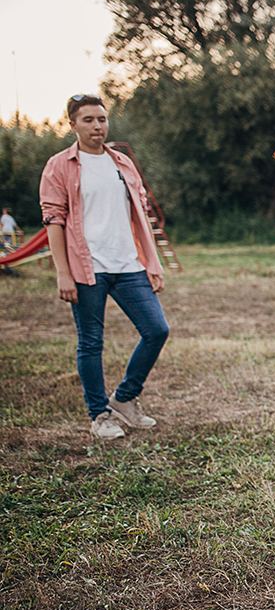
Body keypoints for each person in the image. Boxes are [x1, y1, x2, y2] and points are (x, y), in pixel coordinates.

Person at [40, 93, 170, 440]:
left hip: (128, 264)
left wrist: (150, 261)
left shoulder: (121, 163)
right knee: (91, 342)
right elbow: (54, 220)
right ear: (72, 125)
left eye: (101, 119)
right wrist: (63, 271)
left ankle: (125, 399)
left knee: (157, 330)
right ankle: (99, 415)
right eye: (88, 120)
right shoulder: (59, 165)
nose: (97, 126)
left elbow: (139, 214)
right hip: (86, 267)